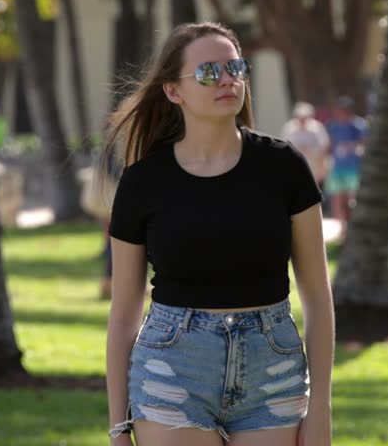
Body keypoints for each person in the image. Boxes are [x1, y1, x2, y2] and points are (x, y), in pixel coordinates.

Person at [103, 22, 334, 446]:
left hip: (273, 369)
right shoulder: (142, 183)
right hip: (172, 368)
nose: (228, 79)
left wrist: (320, 409)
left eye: (235, 68)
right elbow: (123, 315)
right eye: (209, 72)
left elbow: (318, 298)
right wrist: (119, 428)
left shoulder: (284, 168)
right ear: (174, 91)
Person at [323, 96, 367, 238]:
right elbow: (329, 146)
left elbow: (364, 144)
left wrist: (351, 147)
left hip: (354, 168)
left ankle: (354, 229)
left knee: (352, 200)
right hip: (337, 168)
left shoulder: (359, 124)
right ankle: (343, 230)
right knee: (338, 200)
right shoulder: (334, 126)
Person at [281, 101, 330, 188]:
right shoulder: (289, 128)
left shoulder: (317, 127)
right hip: (295, 165)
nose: (302, 120)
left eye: (305, 117)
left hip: (314, 165)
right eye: (300, 117)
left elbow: (325, 145)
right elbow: (284, 145)